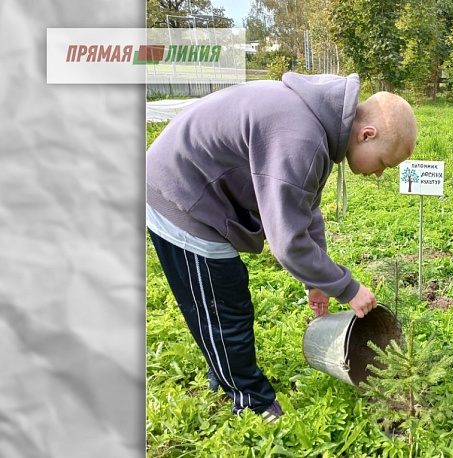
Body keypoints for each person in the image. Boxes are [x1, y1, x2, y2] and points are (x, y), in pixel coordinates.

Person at [146, 72, 418, 421]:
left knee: (218, 301)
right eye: (383, 163)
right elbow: (288, 243)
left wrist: (317, 281)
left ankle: (223, 369)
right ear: (367, 134)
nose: (379, 174)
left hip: (197, 188)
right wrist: (347, 288)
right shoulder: (302, 137)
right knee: (222, 305)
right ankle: (251, 401)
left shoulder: (318, 124)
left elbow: (307, 213)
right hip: (180, 193)